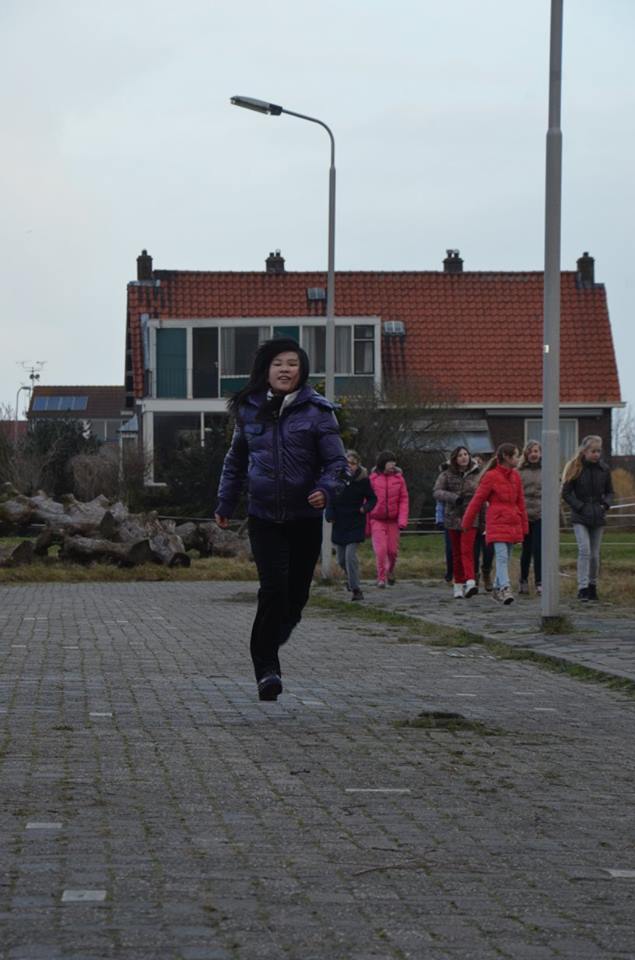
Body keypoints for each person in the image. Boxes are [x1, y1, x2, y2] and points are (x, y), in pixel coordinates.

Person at [215, 338, 348, 701]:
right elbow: (235, 462)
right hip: (264, 516)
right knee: (273, 588)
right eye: (278, 363)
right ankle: (266, 670)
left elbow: (338, 464)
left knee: (296, 596)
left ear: (302, 370)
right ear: (266, 370)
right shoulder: (249, 410)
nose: (285, 369)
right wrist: (225, 503)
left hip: (305, 517)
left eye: (292, 363)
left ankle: (273, 637)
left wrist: (326, 489)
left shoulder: (319, 412)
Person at [462, 443, 528, 605]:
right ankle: (505, 587)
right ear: (506, 457)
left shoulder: (516, 476)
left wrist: (524, 525)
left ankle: (498, 588)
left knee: (506, 557)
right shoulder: (491, 476)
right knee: (502, 557)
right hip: (497, 522)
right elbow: (477, 500)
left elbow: (521, 502)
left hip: (512, 522)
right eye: (516, 455)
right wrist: (467, 521)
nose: (519, 459)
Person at [561, 435, 613, 602]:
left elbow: (610, 491)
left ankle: (592, 585)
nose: (596, 454)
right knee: (584, 550)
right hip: (580, 516)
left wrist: (605, 504)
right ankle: (582, 587)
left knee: (595, 555)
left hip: (598, 515)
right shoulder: (575, 468)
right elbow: (566, 493)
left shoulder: (604, 469)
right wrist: (580, 506)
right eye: (593, 451)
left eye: (598, 451)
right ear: (584, 451)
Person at [325, 449, 377, 601]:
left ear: (358, 464)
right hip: (340, 522)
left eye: (353, 463)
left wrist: (365, 508)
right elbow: (330, 498)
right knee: (341, 559)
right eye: (347, 463)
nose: (350, 466)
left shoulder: (363, 480)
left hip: (355, 521)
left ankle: (356, 589)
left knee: (350, 556)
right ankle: (351, 579)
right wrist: (329, 514)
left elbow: (372, 498)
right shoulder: (336, 479)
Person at [433, 446, 482, 599]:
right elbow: (437, 492)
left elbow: (482, 495)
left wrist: (484, 520)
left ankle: (471, 581)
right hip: (452, 517)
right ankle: (458, 584)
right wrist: (453, 498)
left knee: (467, 550)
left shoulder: (477, 473)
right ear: (455, 458)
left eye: (466, 454)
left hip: (471, 517)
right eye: (460, 455)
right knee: (456, 553)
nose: (464, 457)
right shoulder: (446, 474)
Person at [368, 451, 409, 587]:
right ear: (383, 463)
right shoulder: (373, 479)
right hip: (377, 519)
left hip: (393, 521)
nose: (393, 464)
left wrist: (402, 520)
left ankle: (390, 570)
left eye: (394, 461)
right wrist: (366, 521)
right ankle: (381, 578)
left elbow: (404, 500)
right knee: (381, 550)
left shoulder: (399, 479)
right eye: (390, 462)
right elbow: (367, 500)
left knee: (392, 551)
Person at [518, 439, 542, 595]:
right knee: (526, 549)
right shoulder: (519, 472)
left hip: (540, 513)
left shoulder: (546, 470)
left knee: (539, 549)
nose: (534, 454)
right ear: (526, 454)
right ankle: (523, 579)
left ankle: (540, 581)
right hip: (525, 515)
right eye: (531, 451)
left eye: (536, 451)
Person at [473, 452, 494, 591]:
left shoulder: (489, 476)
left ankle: (486, 573)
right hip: (474, 521)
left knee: (488, 552)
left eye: (479, 461)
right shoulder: (469, 478)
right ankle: (474, 576)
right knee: (474, 552)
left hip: (488, 522)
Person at [435, 460, 454, 583]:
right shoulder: (443, 480)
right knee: (450, 548)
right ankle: (450, 571)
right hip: (448, 518)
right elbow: (439, 503)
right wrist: (440, 519)